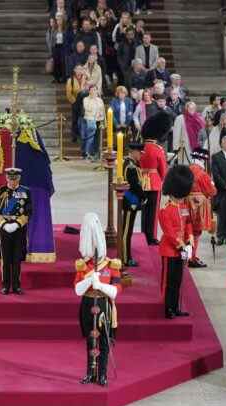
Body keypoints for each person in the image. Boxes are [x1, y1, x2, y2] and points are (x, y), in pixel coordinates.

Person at [74, 212, 121, 386]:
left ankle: (102, 374)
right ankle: (89, 372)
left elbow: (116, 291)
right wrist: (88, 280)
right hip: (87, 303)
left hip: (103, 303)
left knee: (104, 341)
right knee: (90, 340)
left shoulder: (111, 264)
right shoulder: (82, 265)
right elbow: (77, 290)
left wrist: (100, 285)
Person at [158, 165, 194, 319]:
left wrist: (190, 239)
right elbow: (169, 233)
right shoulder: (164, 210)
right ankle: (168, 308)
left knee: (178, 281)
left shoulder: (184, 206)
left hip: (182, 249)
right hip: (169, 250)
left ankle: (175, 306)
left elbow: (188, 224)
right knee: (169, 282)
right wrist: (182, 246)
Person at [0, 168, 32, 295]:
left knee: (16, 258)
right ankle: (5, 285)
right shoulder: (0, 191)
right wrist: (4, 224)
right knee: (6, 258)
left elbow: (28, 211)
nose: (12, 181)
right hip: (4, 227)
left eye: (14, 179)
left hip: (19, 228)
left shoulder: (26, 191)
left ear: (19, 179)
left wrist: (17, 224)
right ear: (6, 178)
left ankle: (16, 286)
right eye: (10, 178)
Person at [138, 111, 169, 245]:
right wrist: (163, 181)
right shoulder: (158, 149)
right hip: (155, 182)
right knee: (153, 212)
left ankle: (144, 233)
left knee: (145, 210)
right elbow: (163, 170)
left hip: (142, 181)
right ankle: (151, 236)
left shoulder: (141, 148)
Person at [187, 149, 216, 268]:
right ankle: (191, 257)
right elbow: (211, 191)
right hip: (198, 206)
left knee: (187, 231)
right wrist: (212, 185)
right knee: (196, 232)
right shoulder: (202, 174)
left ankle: (187, 255)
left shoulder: (186, 170)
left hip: (185, 203)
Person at [121, 139, 146, 267]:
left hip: (131, 200)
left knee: (128, 230)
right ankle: (125, 258)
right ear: (134, 152)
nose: (141, 155)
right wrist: (144, 196)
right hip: (130, 201)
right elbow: (135, 185)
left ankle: (126, 256)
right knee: (127, 231)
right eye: (140, 152)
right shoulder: (131, 166)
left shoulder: (130, 163)